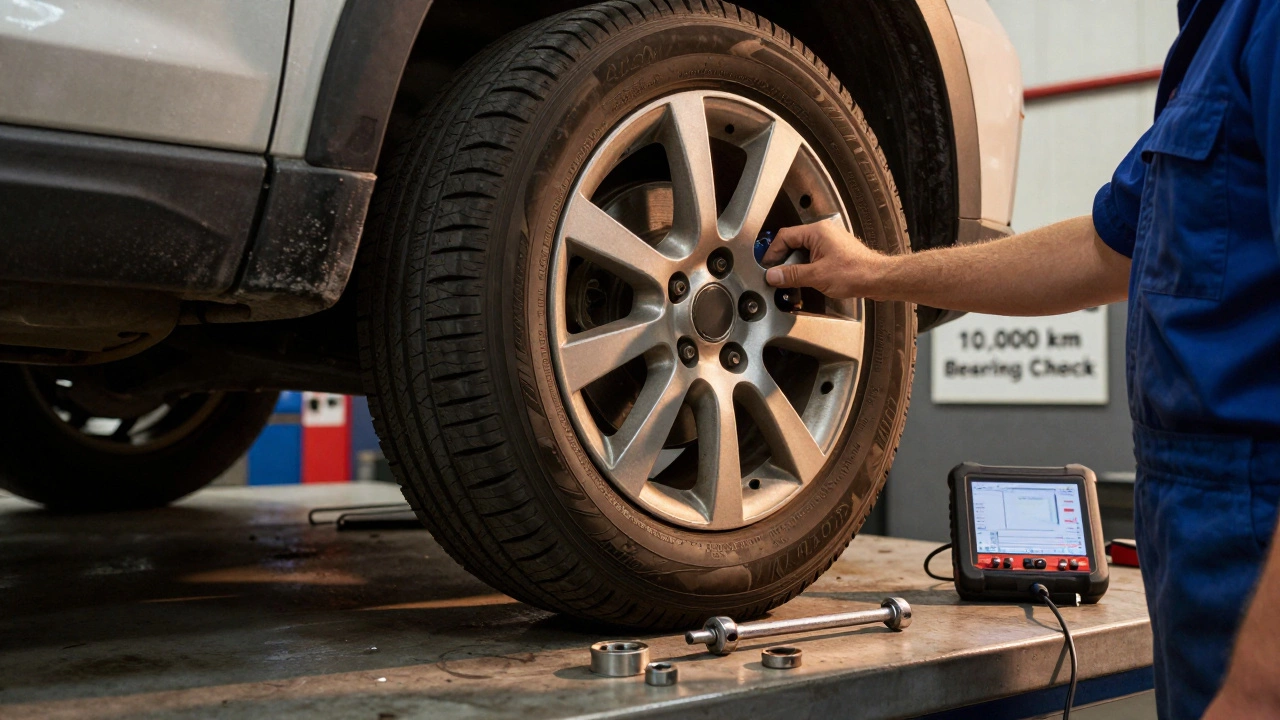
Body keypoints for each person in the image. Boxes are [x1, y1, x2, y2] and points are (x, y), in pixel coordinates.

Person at [763, 1, 1280, 718]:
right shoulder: (1212, 35)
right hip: (1205, 537)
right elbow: (1103, 251)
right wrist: (875, 273)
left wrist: (1259, 690)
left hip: (1257, 551)